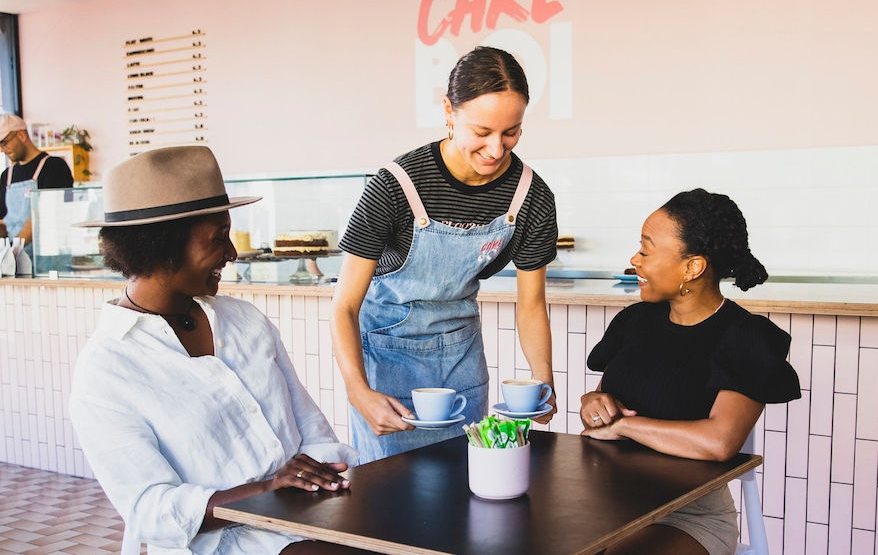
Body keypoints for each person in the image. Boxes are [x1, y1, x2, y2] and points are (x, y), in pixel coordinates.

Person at [70, 146, 361, 555]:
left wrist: (317, 478)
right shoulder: (106, 372)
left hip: (307, 523)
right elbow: (149, 509)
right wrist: (266, 490)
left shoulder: (245, 321)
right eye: (218, 238)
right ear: (162, 248)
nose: (232, 253)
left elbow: (311, 428)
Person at [332, 46, 559, 463]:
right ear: (449, 112)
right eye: (482, 131)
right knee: (389, 495)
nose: (496, 148)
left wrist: (542, 381)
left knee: (463, 482)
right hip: (387, 359)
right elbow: (344, 306)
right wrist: (358, 391)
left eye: (511, 131)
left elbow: (530, 305)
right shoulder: (394, 186)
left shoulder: (532, 197)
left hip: (461, 357)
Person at [580, 188, 801, 555]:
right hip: (604, 502)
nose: (635, 259)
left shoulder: (745, 337)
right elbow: (601, 412)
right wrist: (594, 403)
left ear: (692, 266)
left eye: (646, 250)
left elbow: (719, 442)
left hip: (686, 518)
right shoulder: (634, 322)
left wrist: (623, 426)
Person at [0, 113, 73, 254]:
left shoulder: (54, 167)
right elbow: (2, 221)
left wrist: (12, 251)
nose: (2, 150)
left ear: (21, 135)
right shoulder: (6, 175)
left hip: (47, 260)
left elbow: (43, 216)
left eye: (4, 143)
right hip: (15, 260)